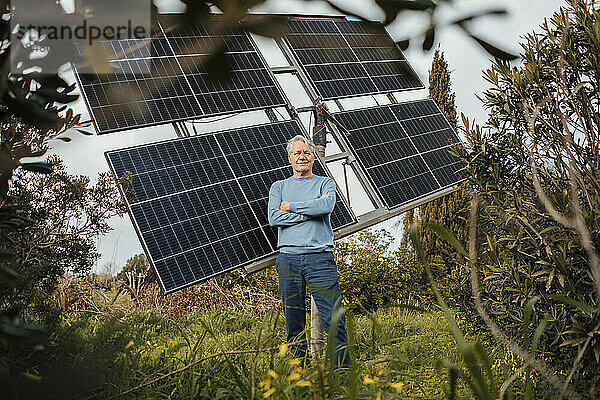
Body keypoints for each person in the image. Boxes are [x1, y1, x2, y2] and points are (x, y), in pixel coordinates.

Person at [267, 134, 349, 368]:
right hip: (288, 259)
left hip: (319, 258)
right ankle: (301, 376)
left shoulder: (325, 184)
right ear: (290, 158)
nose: (302, 157)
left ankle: (341, 376)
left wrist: (291, 207)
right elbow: (274, 218)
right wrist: (311, 211)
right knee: (294, 323)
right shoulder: (279, 187)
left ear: (313, 157)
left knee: (334, 319)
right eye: (297, 153)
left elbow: (326, 206)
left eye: (307, 153)